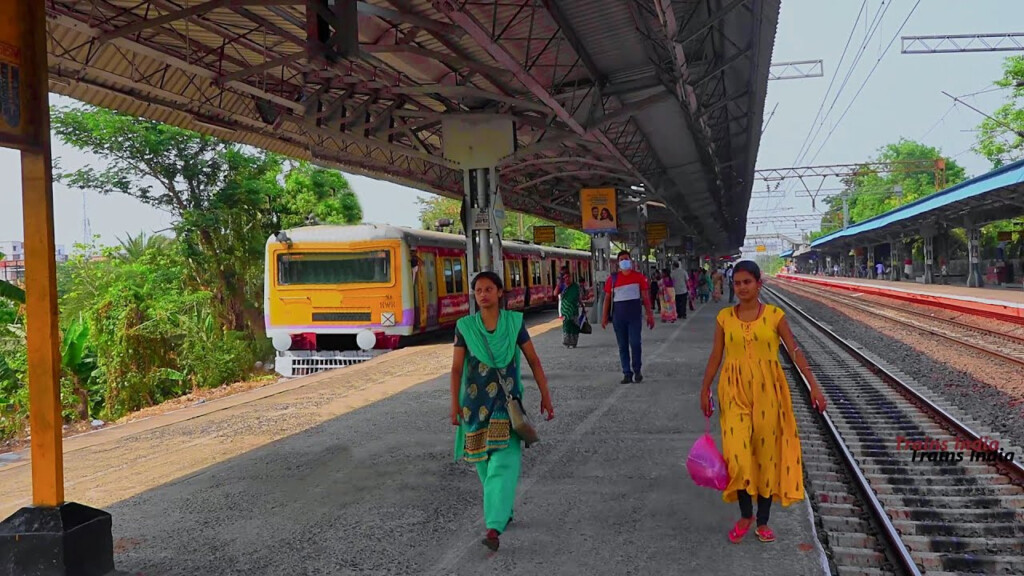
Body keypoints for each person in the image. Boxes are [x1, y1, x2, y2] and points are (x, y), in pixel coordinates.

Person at [699, 260, 827, 544]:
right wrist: (705, 388)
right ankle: (746, 514)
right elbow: (716, 356)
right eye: (738, 283)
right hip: (733, 391)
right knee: (738, 455)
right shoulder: (724, 318)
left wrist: (813, 386)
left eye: (748, 282)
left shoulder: (774, 315)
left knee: (767, 455)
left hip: (769, 391)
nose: (742, 287)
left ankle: (763, 520)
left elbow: (794, 350)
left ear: (759, 283)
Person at [450, 272, 555, 551]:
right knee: (483, 466)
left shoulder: (513, 323)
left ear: (499, 293)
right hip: (473, 409)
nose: (483, 294)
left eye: (488, 289)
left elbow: (534, 360)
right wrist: (453, 405)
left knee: (503, 464)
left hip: (505, 409)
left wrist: (546, 395)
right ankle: (502, 509)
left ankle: (493, 527)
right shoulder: (465, 327)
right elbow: (457, 369)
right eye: (478, 290)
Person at [601, 251, 655, 384]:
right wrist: (604, 317)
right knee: (622, 346)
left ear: (630, 261)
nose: (624, 261)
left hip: (635, 316)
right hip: (618, 318)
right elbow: (607, 299)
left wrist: (650, 315)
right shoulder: (612, 279)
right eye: (621, 259)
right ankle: (627, 372)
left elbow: (646, 297)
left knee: (635, 343)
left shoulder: (639, 277)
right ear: (618, 262)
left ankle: (637, 370)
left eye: (626, 259)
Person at [557, 269, 582, 348]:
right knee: (567, 325)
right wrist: (559, 284)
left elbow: (578, 297)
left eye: (568, 277)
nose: (567, 279)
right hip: (565, 309)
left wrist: (583, 306)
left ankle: (574, 343)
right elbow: (555, 293)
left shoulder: (575, 286)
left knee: (574, 326)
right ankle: (567, 342)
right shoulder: (562, 286)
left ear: (571, 277)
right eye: (565, 277)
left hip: (574, 309)